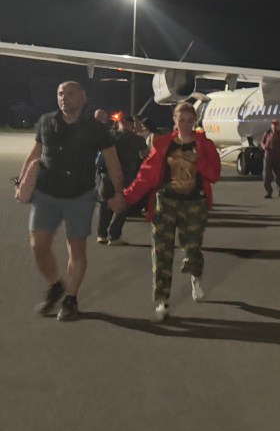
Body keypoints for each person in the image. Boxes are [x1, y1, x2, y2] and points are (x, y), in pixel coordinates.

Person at [14, 81, 125, 321]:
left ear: (83, 98)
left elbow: (112, 161)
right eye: (60, 93)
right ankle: (55, 285)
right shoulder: (46, 121)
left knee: (76, 248)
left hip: (80, 196)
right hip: (46, 194)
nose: (64, 98)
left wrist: (118, 192)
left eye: (70, 94)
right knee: (38, 245)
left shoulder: (96, 129)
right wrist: (21, 182)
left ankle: (71, 299)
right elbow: (34, 154)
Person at [123, 101, 221, 321]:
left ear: (195, 121)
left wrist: (199, 162)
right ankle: (162, 300)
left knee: (192, 248)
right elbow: (146, 174)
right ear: (174, 120)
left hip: (194, 204)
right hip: (166, 203)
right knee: (161, 252)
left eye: (190, 120)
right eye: (181, 120)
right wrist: (127, 197)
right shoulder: (163, 144)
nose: (185, 124)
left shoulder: (205, 145)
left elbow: (214, 174)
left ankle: (195, 275)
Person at [96, 114, 149, 245]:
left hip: (107, 175)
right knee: (123, 205)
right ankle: (114, 236)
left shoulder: (109, 136)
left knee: (105, 204)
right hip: (126, 177)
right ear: (131, 124)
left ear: (120, 123)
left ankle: (101, 235)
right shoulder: (137, 139)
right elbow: (146, 155)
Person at [260, 119, 280, 198]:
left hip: (279, 158)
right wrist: (264, 147)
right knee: (266, 175)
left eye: (276, 125)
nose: (274, 126)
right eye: (273, 124)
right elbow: (262, 142)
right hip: (268, 157)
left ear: (279, 126)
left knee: (279, 176)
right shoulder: (267, 133)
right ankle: (268, 191)